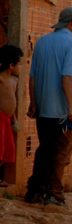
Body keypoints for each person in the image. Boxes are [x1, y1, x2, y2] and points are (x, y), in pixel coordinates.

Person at [24, 6, 72, 206]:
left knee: (45, 149)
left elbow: (32, 78)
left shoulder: (42, 42)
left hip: (43, 108)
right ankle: (54, 193)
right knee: (59, 153)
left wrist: (33, 102)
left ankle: (35, 191)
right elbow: (67, 77)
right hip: (61, 110)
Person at [0, 44, 22, 187]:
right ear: (11, 65)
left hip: (7, 119)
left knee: (6, 149)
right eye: (19, 63)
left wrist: (14, 120)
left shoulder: (14, 80)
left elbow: (13, 100)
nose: (21, 66)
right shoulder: (0, 79)